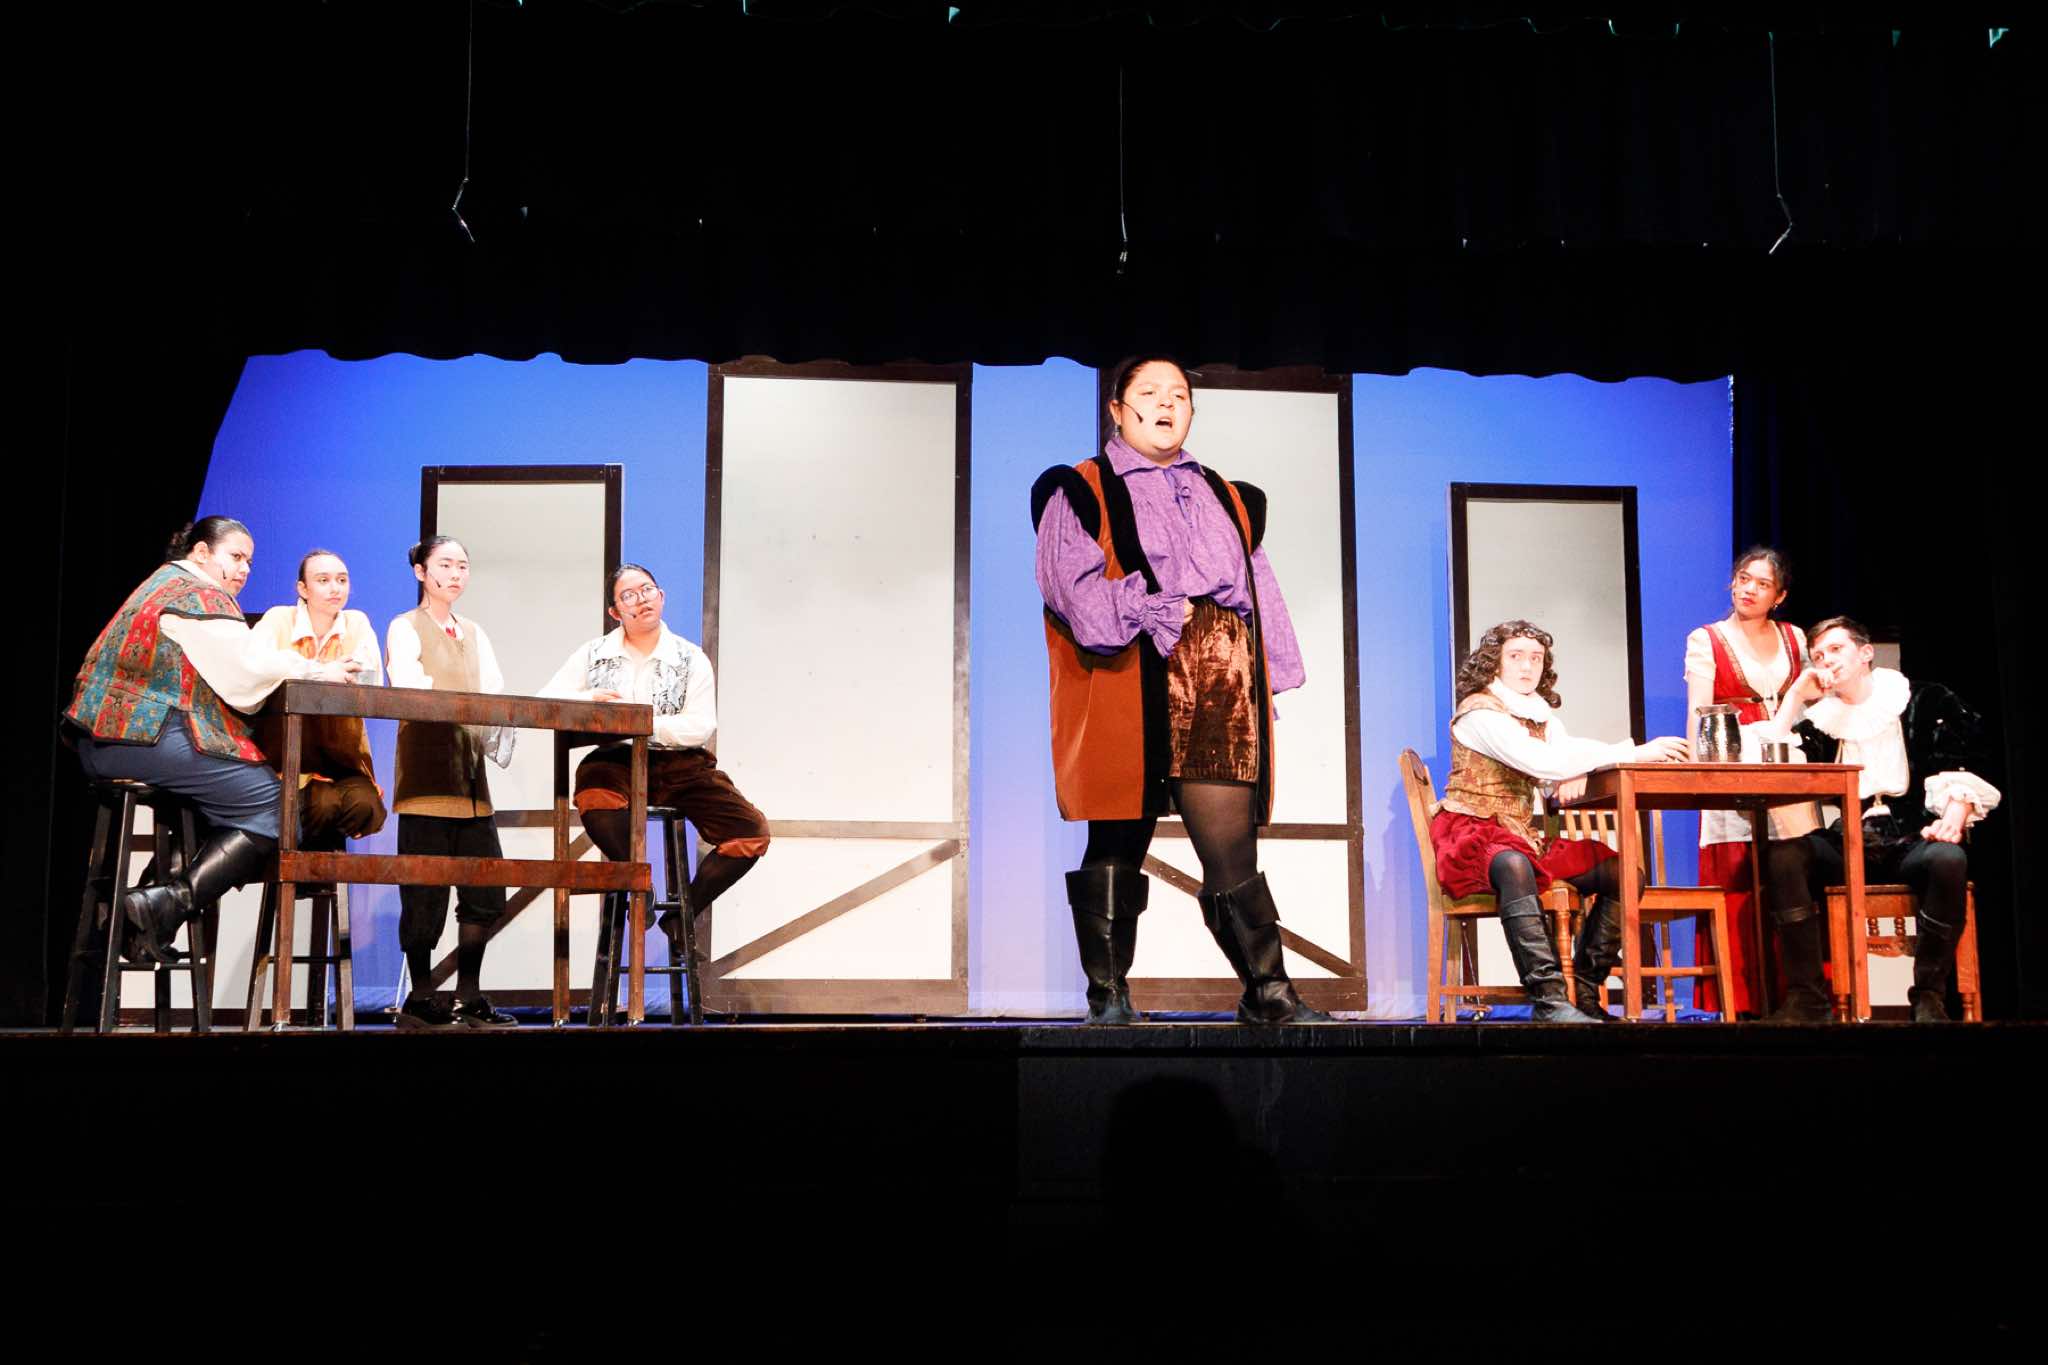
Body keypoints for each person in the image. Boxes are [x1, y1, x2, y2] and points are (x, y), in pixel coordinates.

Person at [1031, 355, 1327, 1025]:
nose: (1167, 404)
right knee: (1117, 837)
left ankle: (1269, 992)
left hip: (1219, 681)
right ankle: (1108, 997)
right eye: (1150, 392)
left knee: (1232, 846)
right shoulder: (1080, 488)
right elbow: (1071, 592)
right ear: (1117, 408)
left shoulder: (1226, 494)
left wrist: (1265, 672)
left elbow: (1256, 588)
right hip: (1129, 674)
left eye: (1180, 395)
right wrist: (1150, 609)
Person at [64, 517, 361, 963]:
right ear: (201, 553)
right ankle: (163, 904)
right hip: (145, 738)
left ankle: (140, 920)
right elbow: (245, 671)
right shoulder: (199, 594)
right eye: (235, 557)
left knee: (218, 808)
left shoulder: (159, 585)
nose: (243, 569)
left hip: (100, 741)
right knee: (278, 810)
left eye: (249, 562)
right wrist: (319, 670)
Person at [1430, 620, 1689, 1022]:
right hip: (1470, 832)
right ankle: (1550, 1000)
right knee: (1513, 863)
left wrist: (1575, 770)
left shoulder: (1540, 714)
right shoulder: (1479, 713)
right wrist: (1631, 752)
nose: (1527, 666)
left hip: (1520, 835)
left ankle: (1583, 990)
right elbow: (1540, 760)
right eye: (1516, 656)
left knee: (1623, 873)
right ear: (1495, 662)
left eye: (1536, 658)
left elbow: (1561, 757)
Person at [1758, 617, 1999, 1022]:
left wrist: (1955, 813)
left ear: (1866, 653)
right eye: (1818, 655)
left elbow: (1966, 761)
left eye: (1836, 649)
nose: (1826, 660)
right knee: (1784, 857)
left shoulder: (1924, 700)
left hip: (1911, 835)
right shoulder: (1823, 720)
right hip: (1849, 840)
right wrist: (1796, 696)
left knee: (1948, 860)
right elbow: (1772, 765)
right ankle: (1808, 998)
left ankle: (1929, 996)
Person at [538, 563, 770, 965]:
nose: (641, 600)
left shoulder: (689, 657)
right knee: (594, 792)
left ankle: (682, 914)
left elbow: (700, 725)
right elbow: (547, 700)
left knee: (750, 832)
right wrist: (590, 700)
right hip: (618, 757)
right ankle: (638, 883)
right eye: (628, 595)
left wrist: (641, 722)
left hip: (681, 762)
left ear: (661, 596)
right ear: (615, 611)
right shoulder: (595, 654)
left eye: (647, 590)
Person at [385, 535, 518, 1031]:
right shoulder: (405, 626)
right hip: (426, 781)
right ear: (421, 572)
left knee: (485, 890)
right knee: (424, 894)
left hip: (471, 784)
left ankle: (468, 994)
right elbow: (410, 686)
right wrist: (464, 707)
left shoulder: (474, 632)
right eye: (445, 565)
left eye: (462, 565)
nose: (456, 574)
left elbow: (494, 690)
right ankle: (421, 995)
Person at [1682, 546, 1820, 1017]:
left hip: (1786, 758)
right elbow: (1699, 710)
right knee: (1739, 874)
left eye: (1762, 584)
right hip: (1731, 754)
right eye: (1743, 578)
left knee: (1790, 867)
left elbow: (1811, 701)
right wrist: (1703, 771)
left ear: (1778, 596)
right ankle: (1741, 1001)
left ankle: (1799, 995)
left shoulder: (1794, 637)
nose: (1748, 589)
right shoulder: (1707, 639)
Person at [250, 549, 387, 845]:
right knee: (322, 804)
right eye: (323, 580)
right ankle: (298, 867)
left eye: (342, 580)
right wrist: (325, 672)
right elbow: (258, 665)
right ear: (303, 588)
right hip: (283, 757)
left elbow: (369, 679)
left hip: (341, 759)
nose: (335, 588)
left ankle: (318, 863)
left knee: (365, 806)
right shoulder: (279, 619)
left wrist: (309, 672)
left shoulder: (356, 623)